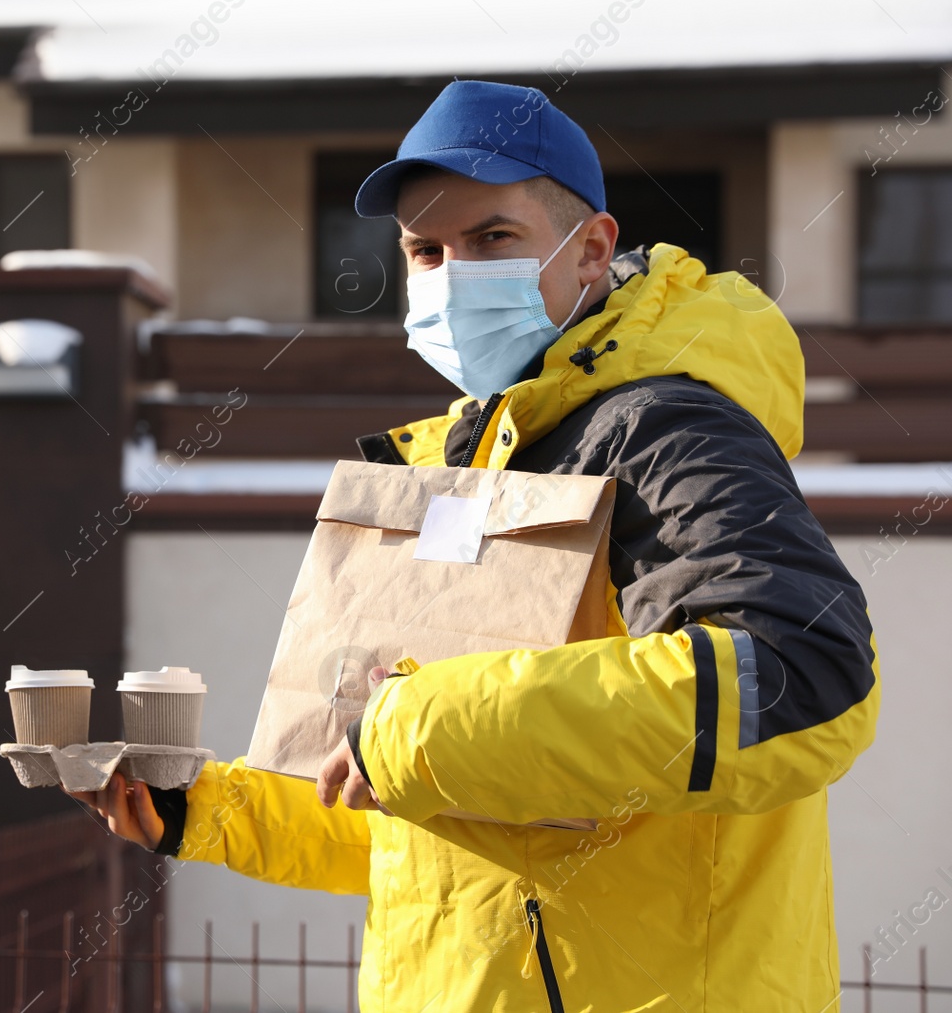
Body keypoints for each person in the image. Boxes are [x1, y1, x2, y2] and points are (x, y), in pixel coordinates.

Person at [69, 79, 879, 1013]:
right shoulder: (471, 460)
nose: (454, 274)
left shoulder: (668, 427)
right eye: (426, 249)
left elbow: (802, 673)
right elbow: (426, 821)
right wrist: (201, 811)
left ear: (592, 250)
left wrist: (413, 727)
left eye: (493, 238)